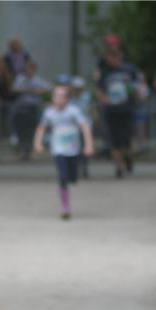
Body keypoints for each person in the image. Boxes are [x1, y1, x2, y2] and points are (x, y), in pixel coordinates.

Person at [33, 85, 94, 220]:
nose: (59, 99)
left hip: (73, 150)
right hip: (59, 150)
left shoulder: (73, 111)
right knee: (62, 177)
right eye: (56, 96)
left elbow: (85, 127)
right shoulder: (49, 113)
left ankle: (72, 178)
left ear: (67, 99)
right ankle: (65, 207)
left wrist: (89, 145)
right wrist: (38, 143)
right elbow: (41, 128)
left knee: (72, 177)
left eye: (62, 96)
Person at [95, 47, 138, 178]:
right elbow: (99, 89)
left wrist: (134, 92)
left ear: (117, 58)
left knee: (125, 141)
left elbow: (136, 86)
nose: (108, 60)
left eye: (110, 58)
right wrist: (104, 99)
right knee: (114, 141)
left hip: (126, 109)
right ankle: (118, 168)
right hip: (111, 110)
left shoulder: (129, 70)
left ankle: (128, 159)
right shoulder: (104, 72)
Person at [10, 59, 50, 160]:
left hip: (33, 108)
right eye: (27, 69)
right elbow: (14, 88)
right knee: (21, 129)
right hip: (21, 108)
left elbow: (48, 88)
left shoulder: (38, 80)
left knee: (32, 129)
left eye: (31, 69)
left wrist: (37, 91)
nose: (29, 71)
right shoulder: (20, 79)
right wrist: (28, 90)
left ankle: (29, 149)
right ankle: (22, 148)